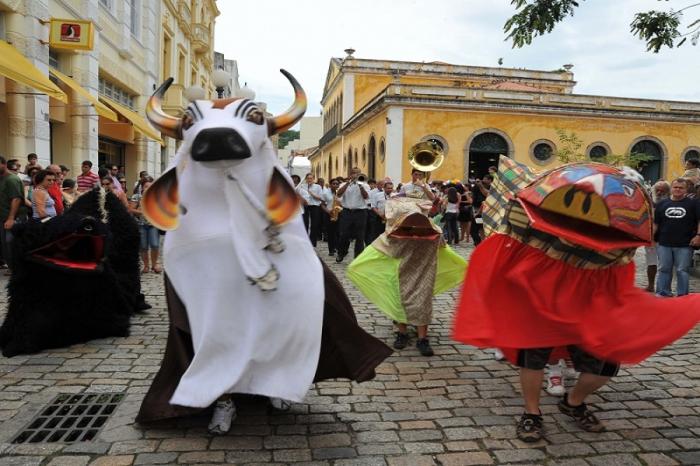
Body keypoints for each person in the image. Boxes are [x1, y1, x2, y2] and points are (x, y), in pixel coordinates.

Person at [135, 73, 391, 434]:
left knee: (284, 319)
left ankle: (276, 383)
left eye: (250, 117)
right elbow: (178, 235)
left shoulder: (272, 184)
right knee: (213, 332)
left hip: (268, 259)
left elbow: (291, 230)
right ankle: (224, 399)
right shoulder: (188, 186)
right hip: (208, 265)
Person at [454, 161, 700, 443]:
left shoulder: (614, 249)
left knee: (605, 367)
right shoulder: (539, 232)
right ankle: (531, 414)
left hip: (586, 311)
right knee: (531, 359)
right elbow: (508, 244)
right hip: (539, 306)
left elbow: (618, 281)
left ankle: (572, 402)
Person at [654, 178, 700, 297]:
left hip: (685, 243)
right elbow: (656, 224)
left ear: (686, 189)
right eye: (675, 187)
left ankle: (682, 295)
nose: (678, 189)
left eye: (681, 188)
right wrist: (650, 237)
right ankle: (663, 293)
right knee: (664, 269)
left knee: (682, 270)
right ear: (671, 189)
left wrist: (698, 236)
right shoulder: (661, 204)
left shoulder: (694, 204)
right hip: (664, 243)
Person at [335, 167, 370, 262]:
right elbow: (338, 194)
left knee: (360, 236)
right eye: (354, 173)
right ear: (350, 174)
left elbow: (366, 197)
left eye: (357, 173)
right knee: (343, 234)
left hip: (360, 212)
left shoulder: (365, 185)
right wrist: (347, 183)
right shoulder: (344, 184)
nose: (355, 175)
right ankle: (341, 253)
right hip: (347, 212)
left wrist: (360, 185)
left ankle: (358, 257)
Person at [0, 156, 28, 270]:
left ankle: (18, 269)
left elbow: (16, 199)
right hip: (3, 218)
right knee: (6, 246)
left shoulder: (11, 179)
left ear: (4, 164)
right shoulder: (2, 179)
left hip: (13, 218)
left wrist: (11, 218)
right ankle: (13, 269)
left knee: (11, 244)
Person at [644, 180, 671, 292]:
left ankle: (665, 287)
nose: (659, 193)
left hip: (666, 238)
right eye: (657, 190)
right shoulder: (648, 203)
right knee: (651, 263)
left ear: (667, 191)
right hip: (651, 238)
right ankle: (650, 285)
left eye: (662, 190)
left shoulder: (671, 203)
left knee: (665, 265)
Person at [130, 180, 162, 273]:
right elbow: (131, 209)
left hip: (153, 225)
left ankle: (154, 264)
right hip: (141, 225)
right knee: (143, 246)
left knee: (155, 245)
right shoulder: (137, 197)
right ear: (142, 187)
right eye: (146, 186)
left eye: (150, 186)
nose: (148, 188)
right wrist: (143, 212)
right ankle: (146, 266)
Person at [297, 173, 323, 247]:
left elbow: (320, 198)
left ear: (313, 179)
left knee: (314, 225)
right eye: (308, 178)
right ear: (306, 179)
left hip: (315, 206)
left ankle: (313, 242)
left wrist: (311, 193)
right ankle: (305, 241)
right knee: (305, 223)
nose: (309, 180)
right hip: (305, 206)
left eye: (311, 178)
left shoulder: (318, 187)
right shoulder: (302, 186)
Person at [469, 174, 492, 245]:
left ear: (490, 180)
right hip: (479, 212)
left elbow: (484, 200)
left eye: (485, 179)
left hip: (482, 213)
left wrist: (478, 213)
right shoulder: (478, 187)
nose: (483, 180)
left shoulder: (492, 189)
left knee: (475, 230)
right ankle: (482, 243)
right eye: (484, 178)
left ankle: (479, 244)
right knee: (480, 228)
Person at [323, 178, 342, 257]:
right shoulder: (325, 193)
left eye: (337, 184)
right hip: (329, 213)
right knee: (331, 233)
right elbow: (322, 204)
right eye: (333, 184)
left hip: (339, 213)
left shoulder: (340, 193)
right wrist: (328, 211)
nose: (335, 185)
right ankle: (331, 250)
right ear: (330, 185)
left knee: (339, 232)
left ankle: (337, 247)